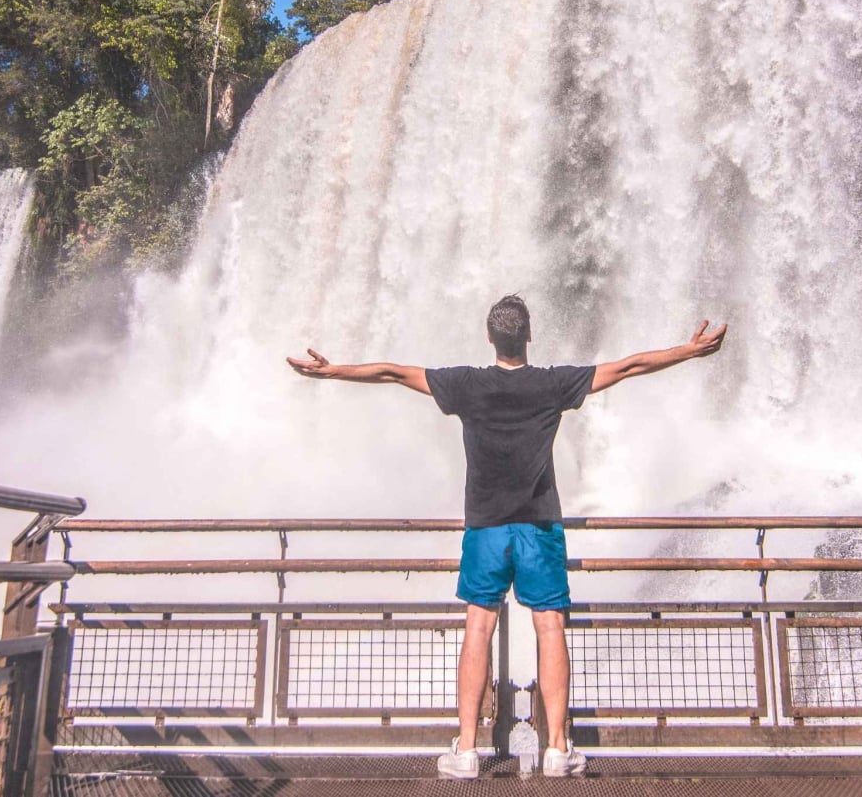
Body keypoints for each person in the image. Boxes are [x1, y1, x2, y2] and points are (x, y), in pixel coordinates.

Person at [287, 295, 727, 779]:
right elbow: (628, 367)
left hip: (486, 529)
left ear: (489, 338)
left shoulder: (465, 385)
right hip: (539, 527)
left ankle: (467, 750)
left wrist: (333, 371)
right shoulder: (552, 384)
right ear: (529, 335)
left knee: (478, 629)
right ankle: (557, 748)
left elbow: (392, 373)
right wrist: (688, 351)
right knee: (550, 629)